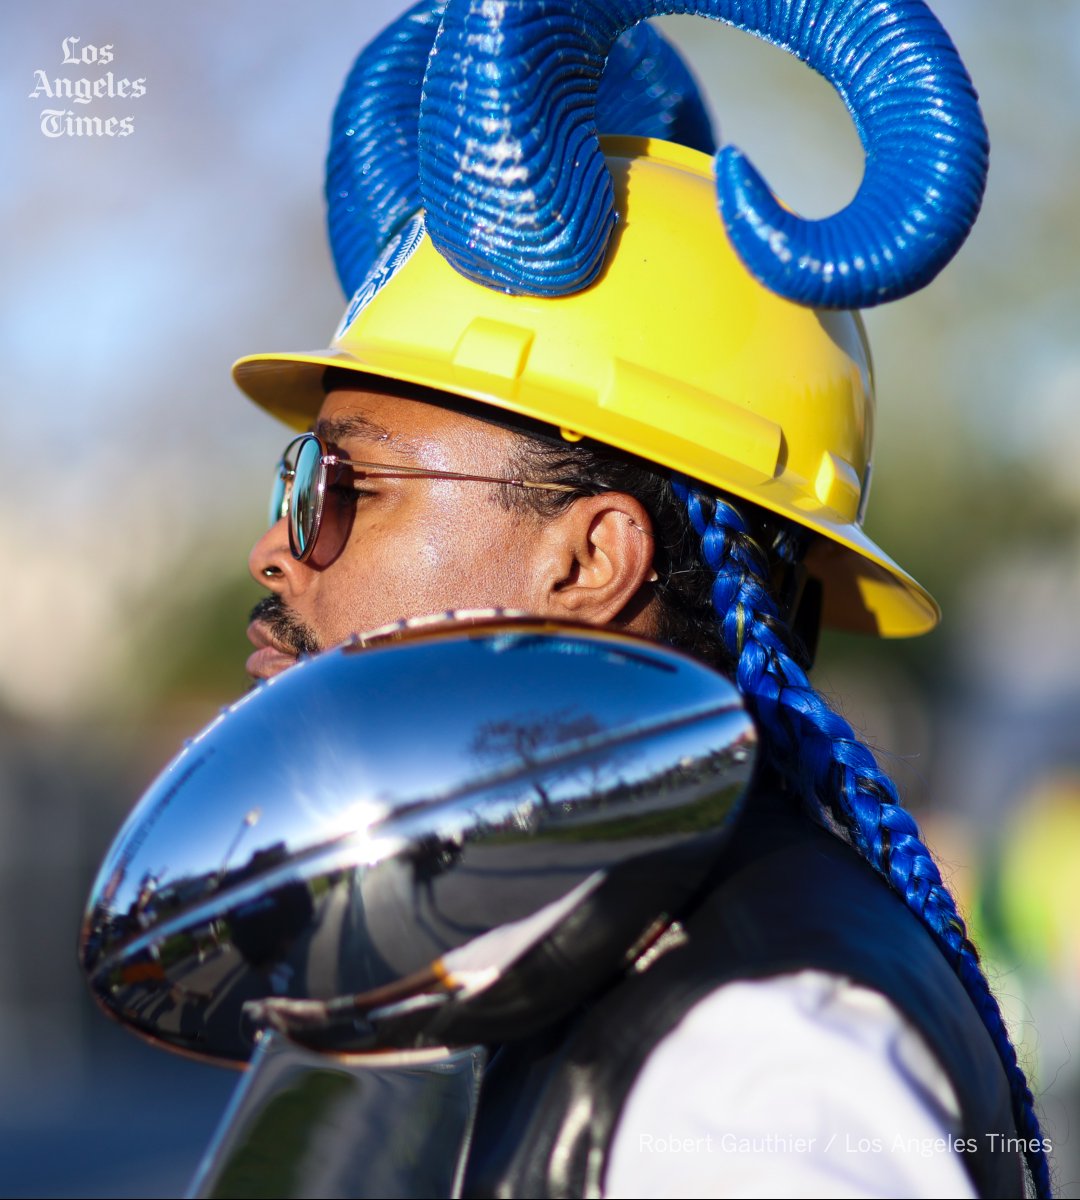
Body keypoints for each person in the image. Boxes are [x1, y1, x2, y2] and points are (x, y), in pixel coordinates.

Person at [228, 1, 1052, 1195]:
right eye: (299, 477)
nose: (275, 546)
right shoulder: (527, 952)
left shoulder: (755, 1067)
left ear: (590, 558)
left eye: (343, 480)